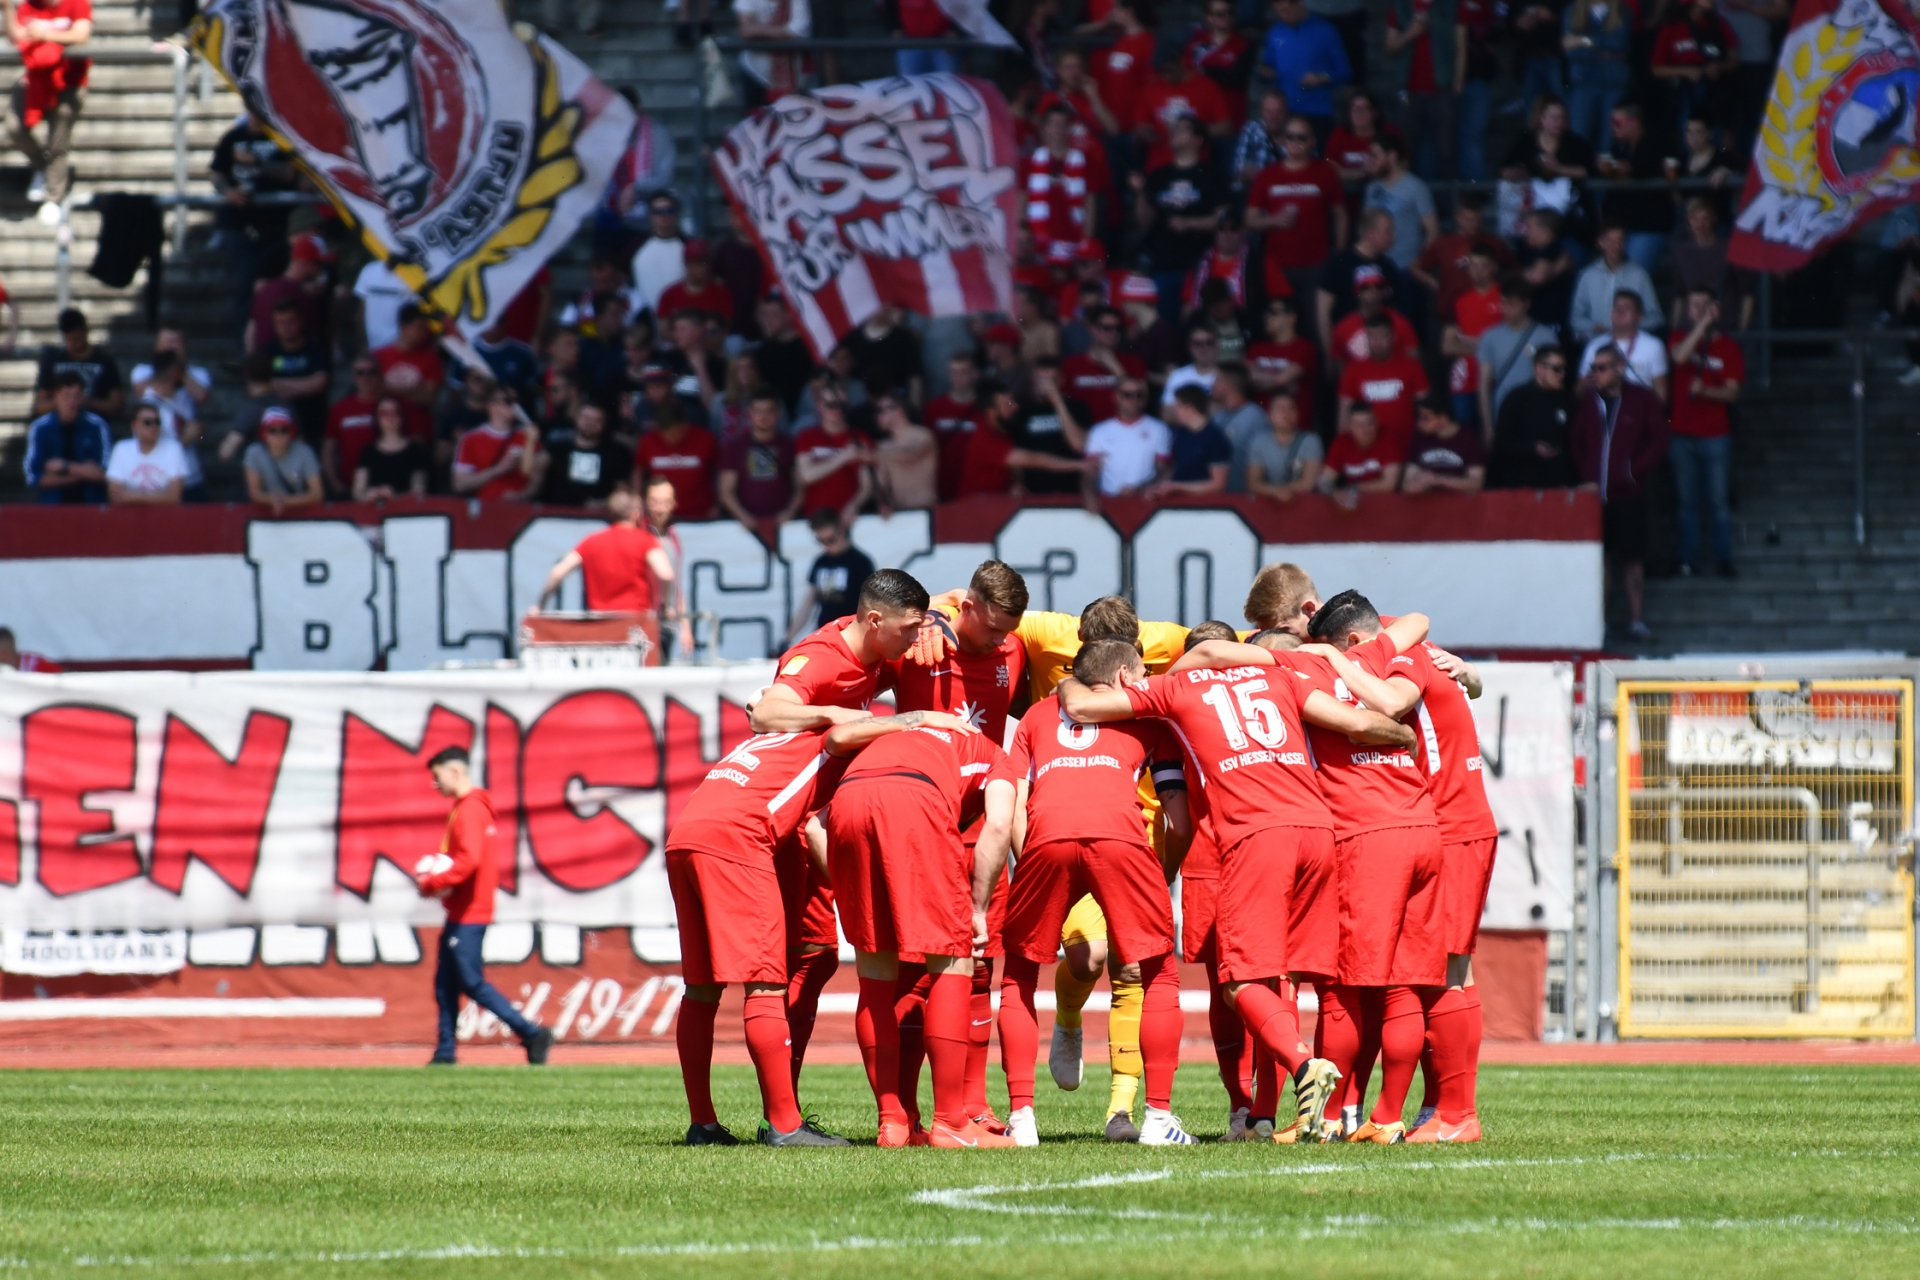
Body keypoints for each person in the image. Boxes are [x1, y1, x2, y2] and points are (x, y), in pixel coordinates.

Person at [1059, 630, 1415, 1141]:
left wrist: (1064, 684)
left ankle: (1303, 1066)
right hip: (1318, 833)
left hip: (1256, 836)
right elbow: (1359, 723)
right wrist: (1403, 736)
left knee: (1239, 981)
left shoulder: (1176, 688)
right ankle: (1313, 1119)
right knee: (1297, 979)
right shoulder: (1281, 678)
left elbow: (1081, 706)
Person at [1291, 597, 1488, 1143]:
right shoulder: (1404, 642)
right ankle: (1431, 1109)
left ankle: (1456, 1113)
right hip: (1442, 819)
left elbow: (1393, 699)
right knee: (1426, 975)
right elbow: (1434, 644)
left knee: (1445, 973)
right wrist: (1472, 676)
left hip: (1448, 820)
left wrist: (1335, 662)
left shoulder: (1392, 658)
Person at [993, 639, 1199, 1146]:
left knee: (1019, 972)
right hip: (1121, 840)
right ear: (1126, 676)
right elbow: (1178, 819)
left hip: (1045, 837)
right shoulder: (1148, 716)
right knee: (1158, 972)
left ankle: (1021, 1119)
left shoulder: (1037, 716)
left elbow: (1015, 800)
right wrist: (1164, 874)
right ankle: (1159, 1119)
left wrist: (1032, 859)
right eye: (1142, 673)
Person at [747, 569, 933, 1123]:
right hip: (784, 823)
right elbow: (765, 712)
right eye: (908, 629)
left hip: (810, 820)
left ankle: (783, 1110)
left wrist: (942, 618)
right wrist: (832, 713)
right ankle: (779, 1115)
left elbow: (942, 605)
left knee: (817, 957)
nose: (914, 641)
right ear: (874, 620)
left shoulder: (880, 650)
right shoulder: (822, 657)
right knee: (794, 961)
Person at [816, 707, 1012, 1148]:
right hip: (916, 799)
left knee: (875, 970)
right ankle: (952, 1123)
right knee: (953, 960)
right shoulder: (994, 755)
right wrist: (978, 909)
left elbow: (815, 826)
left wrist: (849, 885)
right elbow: (999, 825)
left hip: (848, 802)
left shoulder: (889, 738)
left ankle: (893, 1123)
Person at [416, 745, 555, 1067]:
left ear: (455, 771)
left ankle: (531, 1033)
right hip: (461, 911)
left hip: (470, 912)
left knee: (470, 980)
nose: (435, 784)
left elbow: (469, 861)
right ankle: (445, 1051)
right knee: (445, 983)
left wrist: (433, 882)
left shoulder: (469, 809)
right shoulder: (469, 808)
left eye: (437, 776)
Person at [1570, 345, 1669, 642]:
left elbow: (1659, 439)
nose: (1595, 374)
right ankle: (1600, 622)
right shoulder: (1590, 402)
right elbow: (1576, 439)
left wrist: (1633, 472)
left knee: (1632, 558)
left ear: (1619, 368)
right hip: (1596, 497)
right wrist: (1587, 473)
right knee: (1601, 559)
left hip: (1630, 493)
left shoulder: (1642, 399)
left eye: (1602, 368)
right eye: (1593, 368)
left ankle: (1635, 620)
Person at [1666, 287, 1743, 578]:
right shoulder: (1678, 336)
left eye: (1703, 305)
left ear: (1715, 309)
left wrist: (1706, 392)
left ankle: (1723, 558)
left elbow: (1732, 392)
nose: (1696, 310)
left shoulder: (1729, 347)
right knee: (1686, 502)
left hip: (1715, 434)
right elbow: (1679, 357)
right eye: (1693, 305)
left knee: (1718, 501)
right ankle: (1689, 559)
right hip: (1681, 433)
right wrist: (1701, 326)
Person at [1132, 114, 1227, 320]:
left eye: (1182, 129)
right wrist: (1140, 193)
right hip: (1164, 264)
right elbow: (1144, 221)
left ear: (1198, 139)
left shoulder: (1212, 175)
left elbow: (1224, 220)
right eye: (1174, 128)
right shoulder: (1158, 175)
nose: (1174, 132)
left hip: (1201, 266)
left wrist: (1189, 223)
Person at [536, 486, 676, 623]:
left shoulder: (590, 541)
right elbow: (666, 575)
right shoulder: (646, 541)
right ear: (635, 514)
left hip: (600, 625)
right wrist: (665, 605)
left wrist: (539, 606)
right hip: (635, 624)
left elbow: (557, 572)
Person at [1245, 119, 1345, 310]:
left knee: (1313, 320)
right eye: (1290, 137)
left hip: (1316, 263)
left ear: (1312, 141)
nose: (1295, 142)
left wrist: (1339, 254)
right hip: (1277, 263)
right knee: (1280, 319)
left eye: (1301, 137)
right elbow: (1250, 220)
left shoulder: (1325, 173)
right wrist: (1274, 220)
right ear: (1284, 140)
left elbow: (1341, 214)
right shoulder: (1267, 175)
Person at [4, 0, 89, 214]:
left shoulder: (76, 3)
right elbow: (17, 36)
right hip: (35, 79)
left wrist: (46, 34)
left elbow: (81, 35)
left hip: (69, 81)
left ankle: (54, 197)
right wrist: (6, 8)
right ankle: (41, 166)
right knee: (15, 127)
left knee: (57, 141)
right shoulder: (29, 6)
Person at [1315, 210, 1410, 369]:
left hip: (1383, 356)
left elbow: (1395, 313)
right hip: (1346, 353)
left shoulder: (1389, 267)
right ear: (1370, 233)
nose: (1393, 236)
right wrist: (1330, 355)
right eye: (1387, 231)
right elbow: (1323, 313)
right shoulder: (1339, 263)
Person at [1595, 103, 1675, 276]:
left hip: (1648, 226)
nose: (1613, 126)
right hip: (1622, 226)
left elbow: (1660, 167)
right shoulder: (1619, 146)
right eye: (1611, 121)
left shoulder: (1656, 141)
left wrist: (1631, 169)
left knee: (1631, 277)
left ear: (1634, 122)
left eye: (1617, 122)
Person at [1476, 277, 1559, 437]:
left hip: (1537, 410)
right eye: (1503, 303)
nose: (1506, 309)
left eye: (1512, 304)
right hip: (1503, 410)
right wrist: (1487, 426)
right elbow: (1483, 385)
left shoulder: (1546, 337)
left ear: (1526, 304)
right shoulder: (1490, 337)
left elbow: (1554, 379)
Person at [1383, 0, 1456, 180]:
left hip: (1442, 89)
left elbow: (1460, 44)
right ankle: (1410, 194)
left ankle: (1446, 195)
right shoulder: (1400, 6)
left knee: (1446, 149)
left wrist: (1457, 85)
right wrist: (1410, 33)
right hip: (1408, 91)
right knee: (1406, 148)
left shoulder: (1449, 5)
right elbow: (1389, 48)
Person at [1336, 313, 1428, 455]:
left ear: (1392, 337)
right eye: (1372, 337)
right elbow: (1344, 415)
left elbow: (1426, 409)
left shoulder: (1412, 367)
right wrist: (1345, 451)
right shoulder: (1352, 371)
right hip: (1367, 451)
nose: (1377, 342)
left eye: (1382, 336)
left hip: (1407, 447)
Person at [1138, 39, 1234, 173]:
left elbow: (1225, 127)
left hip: (1195, 167)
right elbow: (1140, 127)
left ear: (1181, 61)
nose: (1165, 76)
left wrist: (1191, 133)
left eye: (1169, 70)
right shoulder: (1151, 88)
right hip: (1158, 167)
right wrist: (1145, 133)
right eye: (1161, 71)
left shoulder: (1206, 86)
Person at [1257, 0, 1351, 139]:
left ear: (1300, 3)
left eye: (1286, 11)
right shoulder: (1275, 31)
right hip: (1285, 112)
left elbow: (1345, 72)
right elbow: (1265, 68)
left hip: (1317, 111)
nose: (1283, 16)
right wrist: (1265, 72)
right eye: (1279, 12)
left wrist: (1321, 78)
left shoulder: (1326, 30)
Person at [597, 88, 677, 250]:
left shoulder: (659, 135)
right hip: (611, 216)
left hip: (647, 216)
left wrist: (635, 188)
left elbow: (665, 178)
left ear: (638, 109)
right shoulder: (606, 135)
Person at [1488, 346, 1578, 489]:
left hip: (1558, 484)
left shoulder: (1568, 401)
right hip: (1523, 484)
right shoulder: (1516, 399)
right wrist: (1532, 448)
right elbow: (1501, 443)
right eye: (1556, 369)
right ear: (1539, 369)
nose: (1562, 374)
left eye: (1564, 369)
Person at [1439, 243, 1506, 431]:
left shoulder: (1505, 297)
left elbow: (1509, 341)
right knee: (1466, 436)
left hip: (1497, 378)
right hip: (1464, 381)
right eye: (1473, 265)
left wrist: (1468, 343)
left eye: (1483, 265)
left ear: (1494, 268)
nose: (1477, 271)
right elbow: (1447, 347)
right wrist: (1486, 346)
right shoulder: (1459, 301)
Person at [1412, 197, 1513, 322]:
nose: (1474, 224)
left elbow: (1514, 269)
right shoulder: (1443, 243)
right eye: (1469, 219)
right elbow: (1415, 267)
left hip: (1486, 310)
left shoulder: (1493, 243)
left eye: (1477, 219)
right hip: (1449, 310)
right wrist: (1434, 283)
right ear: (1458, 217)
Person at [1651, 0, 1740, 139]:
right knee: (1687, 130)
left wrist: (1718, 67)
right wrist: (1686, 71)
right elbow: (1656, 69)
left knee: (1719, 132)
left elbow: (1733, 61)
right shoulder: (1671, 28)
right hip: (1685, 92)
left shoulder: (1718, 23)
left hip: (1715, 91)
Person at [786, 508, 875, 644]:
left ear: (841, 530)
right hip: (826, 634)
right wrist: (787, 638)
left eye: (831, 540)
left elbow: (871, 604)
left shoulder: (860, 562)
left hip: (851, 635)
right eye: (821, 541)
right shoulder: (820, 562)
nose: (827, 545)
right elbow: (808, 603)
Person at [718, 390, 801, 531]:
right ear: (749, 414)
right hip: (745, 526)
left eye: (769, 411)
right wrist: (743, 516)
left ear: (778, 413)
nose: (763, 416)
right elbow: (726, 491)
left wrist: (790, 512)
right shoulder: (735, 447)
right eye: (758, 411)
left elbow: (800, 487)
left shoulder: (789, 445)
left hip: (784, 524)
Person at [792, 384, 872, 528]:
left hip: (849, 519)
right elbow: (807, 475)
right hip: (815, 520)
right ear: (820, 406)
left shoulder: (861, 438)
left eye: (842, 405)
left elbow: (866, 485)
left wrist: (854, 505)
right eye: (831, 405)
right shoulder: (806, 437)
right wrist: (844, 456)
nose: (837, 410)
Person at [24, 369, 108, 503]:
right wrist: (85, 472)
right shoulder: (40, 428)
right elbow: (33, 477)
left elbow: (105, 474)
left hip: (90, 506)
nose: (72, 402)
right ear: (56, 395)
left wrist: (65, 466)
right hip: (52, 507)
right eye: (67, 396)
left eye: (77, 396)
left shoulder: (97, 425)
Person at [1570, 222, 1665, 340]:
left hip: (1632, 341)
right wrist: (1594, 326)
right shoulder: (1588, 276)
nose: (1616, 245)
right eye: (1610, 240)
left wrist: (1630, 324)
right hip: (1598, 341)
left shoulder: (1640, 275)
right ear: (1601, 242)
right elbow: (1575, 318)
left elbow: (1656, 317)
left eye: (1620, 240)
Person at [1362, 134, 1438, 274]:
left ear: (1392, 156)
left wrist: (1419, 264)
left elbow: (1432, 230)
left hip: (1405, 269)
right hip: (1375, 267)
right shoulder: (1372, 187)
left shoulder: (1416, 187)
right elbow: (1366, 227)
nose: (1371, 161)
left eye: (1375, 156)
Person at [260, 298, 332, 447]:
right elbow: (258, 386)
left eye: (290, 321)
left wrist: (278, 384)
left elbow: (319, 383)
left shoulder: (315, 350)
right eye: (280, 323)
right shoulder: (267, 352)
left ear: (300, 321)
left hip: (312, 424)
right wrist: (303, 386)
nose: (285, 327)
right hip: (277, 428)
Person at [1562, 0, 1633, 150]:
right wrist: (1607, 52)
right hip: (1583, 82)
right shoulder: (1572, 10)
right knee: (1579, 137)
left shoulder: (1621, 10)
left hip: (1614, 83)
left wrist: (1585, 40)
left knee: (1611, 139)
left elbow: (1620, 43)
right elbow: (1570, 51)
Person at [635, 401, 721, 522]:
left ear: (684, 424)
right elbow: (637, 473)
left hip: (700, 515)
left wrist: (717, 504)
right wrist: (640, 502)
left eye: (675, 433)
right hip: (659, 516)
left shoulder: (705, 439)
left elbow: (721, 472)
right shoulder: (647, 441)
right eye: (666, 434)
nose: (671, 439)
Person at [1085, 376, 1172, 497]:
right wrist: (1089, 496)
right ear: (1116, 397)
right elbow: (1090, 472)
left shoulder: (1159, 429)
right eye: (1127, 395)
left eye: (1139, 395)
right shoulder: (1099, 431)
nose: (1134, 399)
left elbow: (1164, 471)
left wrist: (1138, 490)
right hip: (1108, 501)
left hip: (1146, 499)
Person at [452, 387, 543, 501]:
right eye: (508, 401)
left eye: (517, 401)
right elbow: (460, 484)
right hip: (485, 506)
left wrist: (521, 497)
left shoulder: (528, 436)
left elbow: (538, 478)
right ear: (492, 406)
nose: (515, 406)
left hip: (520, 507)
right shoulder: (470, 439)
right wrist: (498, 469)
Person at [1578, 290, 1670, 401]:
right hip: (1602, 406)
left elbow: (1661, 394)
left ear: (1639, 316)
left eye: (1626, 308)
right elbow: (1578, 391)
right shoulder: (1594, 345)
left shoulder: (1653, 346)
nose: (1620, 311)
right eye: (1616, 307)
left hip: (1638, 407)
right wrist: (1587, 383)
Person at [1060, 305, 1145, 424]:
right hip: (1084, 430)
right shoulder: (1070, 365)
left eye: (1117, 328)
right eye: (1107, 328)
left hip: (1124, 428)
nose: (1113, 333)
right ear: (1091, 328)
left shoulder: (1133, 362)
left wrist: (1116, 367)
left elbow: (1141, 399)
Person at [245, 233, 329, 354]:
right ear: (308, 263)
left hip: (263, 361)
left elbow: (250, 333)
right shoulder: (300, 294)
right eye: (319, 265)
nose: (320, 271)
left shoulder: (266, 289)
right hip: (292, 363)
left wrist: (253, 362)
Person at [540, 402, 633, 510]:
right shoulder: (557, 448)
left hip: (599, 515)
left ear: (603, 424)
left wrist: (603, 503)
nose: (590, 423)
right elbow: (534, 471)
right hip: (556, 513)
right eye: (586, 418)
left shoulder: (615, 453)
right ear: (577, 418)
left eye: (596, 420)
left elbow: (622, 489)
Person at [374, 304, 445, 441]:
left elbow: (428, 398)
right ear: (404, 326)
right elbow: (373, 392)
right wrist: (415, 390)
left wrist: (389, 388)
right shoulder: (378, 356)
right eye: (420, 328)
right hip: (383, 433)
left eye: (427, 329)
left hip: (418, 431)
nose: (424, 333)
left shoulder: (432, 358)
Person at [33, 307, 119, 419]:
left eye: (76, 339)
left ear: (85, 331)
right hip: (59, 424)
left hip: (92, 423)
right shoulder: (53, 360)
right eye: (68, 340)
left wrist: (90, 402)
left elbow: (117, 404)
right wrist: (61, 401)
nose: (73, 344)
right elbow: (40, 406)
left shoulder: (104, 361)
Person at [1148, 383, 1231, 498]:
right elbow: (1174, 469)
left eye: (1178, 406)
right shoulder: (1180, 434)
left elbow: (1218, 484)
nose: (1175, 412)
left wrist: (1177, 487)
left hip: (1205, 503)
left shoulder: (1215, 438)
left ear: (1190, 408)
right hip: (1177, 501)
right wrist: (1159, 487)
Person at [1247, 294, 1318, 423]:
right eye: (1266, 312)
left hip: (1294, 427)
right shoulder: (1256, 348)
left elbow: (1282, 379)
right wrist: (1284, 385)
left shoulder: (1304, 348)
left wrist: (1262, 381)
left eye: (1273, 312)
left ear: (1291, 319)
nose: (1266, 316)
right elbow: (1246, 377)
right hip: (1260, 426)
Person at [243, 406, 324, 515]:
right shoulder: (254, 453)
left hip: (301, 515)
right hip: (265, 516)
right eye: (272, 430)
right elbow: (255, 493)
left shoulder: (305, 451)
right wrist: (273, 500)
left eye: (284, 430)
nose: (279, 435)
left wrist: (283, 502)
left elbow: (317, 493)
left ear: (291, 433)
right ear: (264, 433)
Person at [1244, 389, 1323, 501]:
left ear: (1298, 414)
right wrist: (1275, 491)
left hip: (1303, 503)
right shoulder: (1258, 442)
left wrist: (1282, 490)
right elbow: (1253, 483)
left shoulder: (1311, 441)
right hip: (1267, 504)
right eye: (1280, 409)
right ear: (1269, 415)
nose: (1286, 413)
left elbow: (1308, 483)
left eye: (1291, 408)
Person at [351, 395, 430, 502]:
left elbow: (419, 490)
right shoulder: (368, 451)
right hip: (373, 509)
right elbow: (357, 491)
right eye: (384, 413)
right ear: (376, 418)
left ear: (402, 416)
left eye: (395, 412)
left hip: (406, 510)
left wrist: (395, 496)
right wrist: (370, 495)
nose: (390, 417)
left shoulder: (415, 450)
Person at [1400, 395, 1487, 493]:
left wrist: (1438, 480)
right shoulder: (1420, 438)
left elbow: (1476, 482)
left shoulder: (1469, 439)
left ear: (1443, 418)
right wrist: (1417, 484)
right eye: (1418, 417)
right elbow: (1407, 481)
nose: (1419, 423)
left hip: (1460, 500)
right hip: (1427, 500)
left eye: (1425, 418)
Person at [105, 402, 186, 505]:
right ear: (134, 425)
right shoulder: (121, 448)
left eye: (157, 422)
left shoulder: (173, 448)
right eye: (147, 422)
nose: (154, 426)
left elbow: (174, 496)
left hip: (165, 514)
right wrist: (160, 496)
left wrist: (129, 495)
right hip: (130, 514)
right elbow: (115, 495)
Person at [325, 358, 386, 496]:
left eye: (371, 372)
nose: (366, 377)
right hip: (349, 487)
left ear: (380, 375)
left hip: (387, 487)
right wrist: (334, 482)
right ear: (353, 377)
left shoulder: (391, 406)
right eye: (360, 373)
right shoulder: (340, 409)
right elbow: (329, 449)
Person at [870, 391, 938, 514]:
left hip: (926, 511)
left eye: (880, 411)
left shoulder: (923, 435)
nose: (877, 416)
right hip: (898, 514)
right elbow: (881, 483)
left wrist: (870, 454)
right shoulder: (882, 448)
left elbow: (912, 455)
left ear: (898, 410)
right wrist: (884, 501)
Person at [1514, 208, 1576, 339]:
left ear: (1545, 231)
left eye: (1530, 227)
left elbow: (1537, 278)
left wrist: (1544, 273)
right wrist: (1556, 269)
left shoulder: (1553, 250)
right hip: (1532, 322)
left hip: (1550, 323)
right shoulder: (1528, 251)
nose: (1526, 231)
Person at [1320, 402, 1404, 496]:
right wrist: (1334, 493)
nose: (1366, 429)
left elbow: (1389, 484)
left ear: (1377, 421)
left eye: (1370, 423)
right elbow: (1324, 480)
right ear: (1350, 427)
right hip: (1353, 501)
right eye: (1360, 425)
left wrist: (1352, 488)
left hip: (1384, 500)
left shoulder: (1388, 438)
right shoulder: (1341, 443)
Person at [1210, 363, 1269, 491]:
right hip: (1219, 495)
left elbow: (1266, 461)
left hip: (1246, 496)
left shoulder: (1255, 417)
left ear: (1229, 384)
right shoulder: (1217, 418)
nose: (1212, 385)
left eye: (1217, 380)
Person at [630, 192, 687, 316]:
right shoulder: (635, 247)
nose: (664, 215)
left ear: (677, 213)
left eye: (669, 210)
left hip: (683, 319)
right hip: (647, 320)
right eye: (658, 211)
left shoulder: (688, 245)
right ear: (650, 215)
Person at [655, 241, 734, 328]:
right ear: (686, 264)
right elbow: (664, 329)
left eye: (706, 261)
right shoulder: (670, 294)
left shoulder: (721, 292)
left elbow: (726, 327)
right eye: (698, 262)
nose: (704, 267)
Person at [1232, 87, 1292, 188]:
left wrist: (1261, 174)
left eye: (1278, 111)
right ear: (1261, 111)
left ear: (1286, 112)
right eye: (1269, 111)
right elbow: (1239, 169)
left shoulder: (1296, 133)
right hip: (1254, 190)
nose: (1273, 117)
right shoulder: (1251, 130)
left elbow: (1304, 173)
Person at [1161, 324, 1223, 411]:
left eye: (1209, 343)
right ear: (1190, 347)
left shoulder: (1228, 377)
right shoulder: (1177, 376)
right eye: (1197, 344)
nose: (1204, 348)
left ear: (1218, 345)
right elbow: (1166, 413)